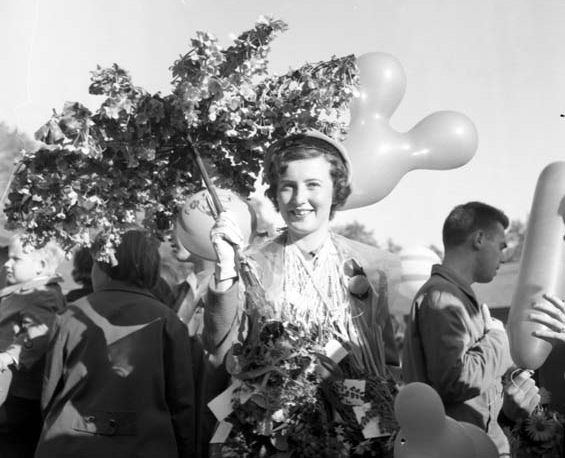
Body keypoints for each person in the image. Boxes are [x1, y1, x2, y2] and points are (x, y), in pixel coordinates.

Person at [200, 131, 401, 453]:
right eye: (288, 186)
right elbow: (221, 349)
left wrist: (351, 397)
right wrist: (225, 266)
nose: (298, 198)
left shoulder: (368, 268)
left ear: (336, 189)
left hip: (354, 438)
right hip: (269, 440)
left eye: (313, 185)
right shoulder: (252, 264)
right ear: (275, 192)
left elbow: (387, 370)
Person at [35, 229, 196, 458]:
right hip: (146, 445)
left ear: (104, 265)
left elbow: (50, 392)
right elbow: (182, 404)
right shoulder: (168, 322)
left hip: (68, 444)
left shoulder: (70, 315)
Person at [402, 201, 540, 456]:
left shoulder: (453, 296)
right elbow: (455, 381)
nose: (503, 257)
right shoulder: (442, 298)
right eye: (501, 246)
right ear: (479, 239)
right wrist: (498, 339)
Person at [0, 236, 66, 458]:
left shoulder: (43, 294)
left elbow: (39, 336)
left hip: (18, 393)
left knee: (11, 445)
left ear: (41, 265)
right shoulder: (26, 290)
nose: (7, 264)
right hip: (11, 390)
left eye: (16, 259)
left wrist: (9, 356)